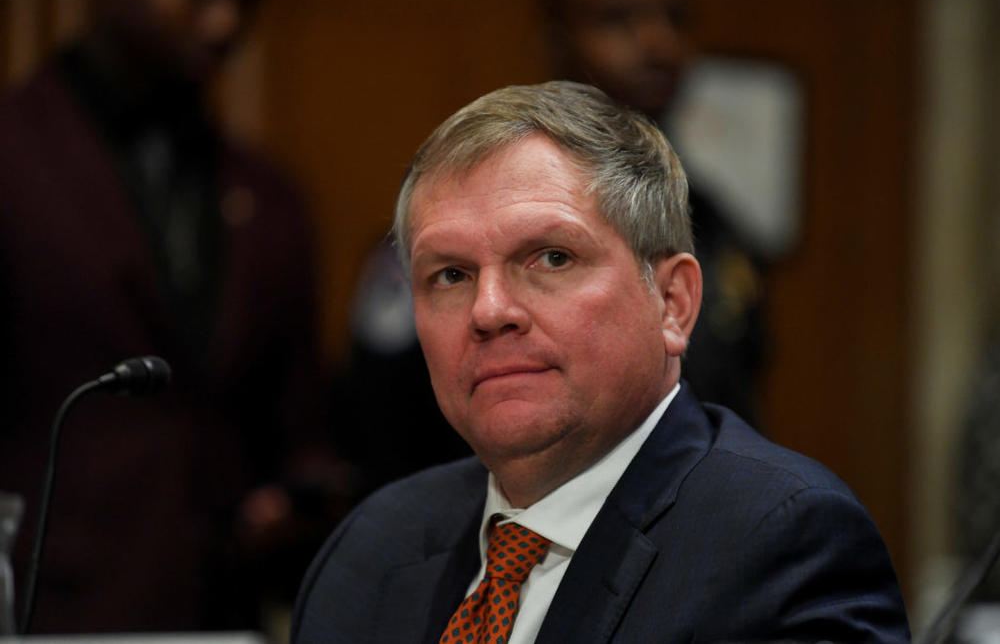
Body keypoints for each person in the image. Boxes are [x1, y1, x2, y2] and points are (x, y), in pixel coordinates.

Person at [291, 81, 909, 643]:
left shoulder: (783, 543)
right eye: (450, 275)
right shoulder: (370, 548)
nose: (488, 310)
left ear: (673, 303)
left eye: (551, 258)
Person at [0, 0, 342, 632]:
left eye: (246, 0)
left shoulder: (267, 194)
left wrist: (294, 494)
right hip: (49, 606)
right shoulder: (14, 157)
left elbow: (299, 422)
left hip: (220, 608)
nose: (223, 26)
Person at [544, 0, 766, 424]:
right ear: (557, 40)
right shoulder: (497, 215)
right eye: (617, 19)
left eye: (675, 19)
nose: (657, 42)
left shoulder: (714, 224)